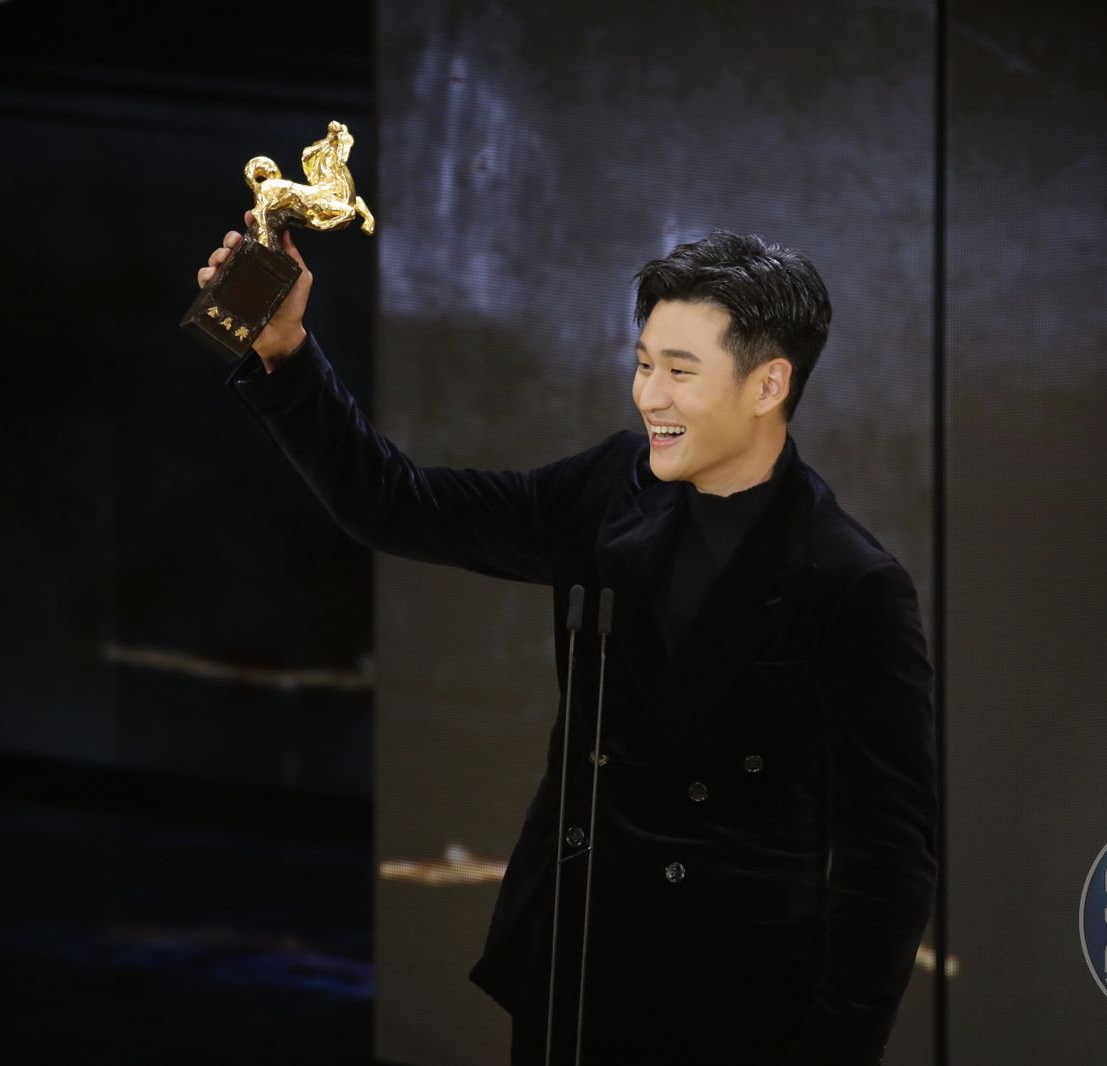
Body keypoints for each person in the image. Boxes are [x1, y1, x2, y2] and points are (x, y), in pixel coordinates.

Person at [198, 222, 938, 1065]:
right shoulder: (612, 489)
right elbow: (394, 503)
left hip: (734, 1008)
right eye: (644, 364)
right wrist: (286, 348)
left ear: (769, 383)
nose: (649, 396)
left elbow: (890, 867)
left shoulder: (850, 582)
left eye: (679, 372)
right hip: (576, 973)